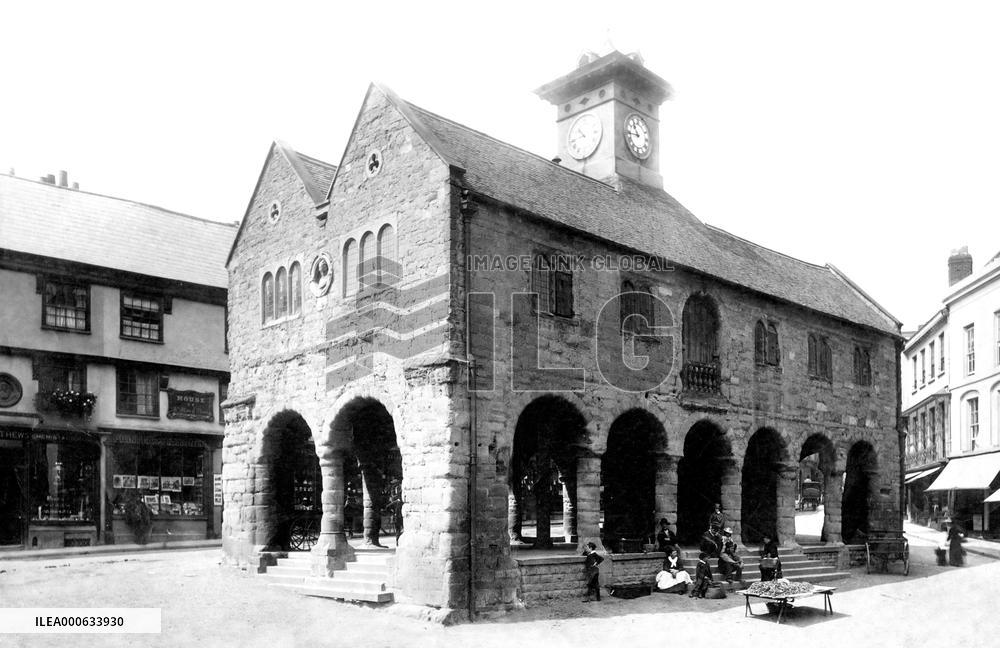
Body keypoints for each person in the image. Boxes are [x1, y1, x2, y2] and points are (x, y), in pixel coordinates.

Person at [384, 478, 404, 547]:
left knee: (398, 531)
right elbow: (388, 508)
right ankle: (398, 543)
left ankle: (398, 543)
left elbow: (388, 507)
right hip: (398, 516)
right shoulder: (397, 501)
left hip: (397, 516)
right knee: (398, 531)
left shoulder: (395, 501)